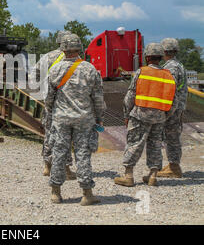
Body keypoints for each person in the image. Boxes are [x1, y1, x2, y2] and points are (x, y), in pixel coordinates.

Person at [45, 34, 105, 205]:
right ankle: (87, 194)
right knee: (83, 154)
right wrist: (99, 118)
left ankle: (55, 193)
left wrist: (51, 113)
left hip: (61, 119)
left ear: (63, 49)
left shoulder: (55, 70)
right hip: (84, 119)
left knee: (59, 154)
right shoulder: (90, 69)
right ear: (80, 48)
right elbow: (98, 99)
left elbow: (49, 98)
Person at [114, 43, 178, 187]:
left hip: (140, 115)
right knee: (155, 145)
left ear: (147, 57)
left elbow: (129, 97)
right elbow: (175, 102)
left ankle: (128, 176)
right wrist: (165, 115)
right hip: (159, 117)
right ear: (161, 58)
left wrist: (127, 115)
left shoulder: (141, 72)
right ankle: (153, 176)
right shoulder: (169, 75)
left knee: (134, 144)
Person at [32, 30, 76, 180]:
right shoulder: (76, 59)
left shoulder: (48, 56)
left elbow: (34, 74)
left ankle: (47, 166)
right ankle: (67, 169)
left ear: (58, 41)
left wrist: (43, 88)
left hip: (50, 101)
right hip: (69, 103)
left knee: (50, 134)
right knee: (67, 136)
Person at [157, 38, 188, 178]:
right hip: (176, 106)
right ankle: (172, 164)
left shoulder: (171, 67)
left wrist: (165, 109)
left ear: (164, 51)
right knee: (172, 136)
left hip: (172, 108)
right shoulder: (177, 64)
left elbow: (170, 88)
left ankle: (174, 168)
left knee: (172, 136)